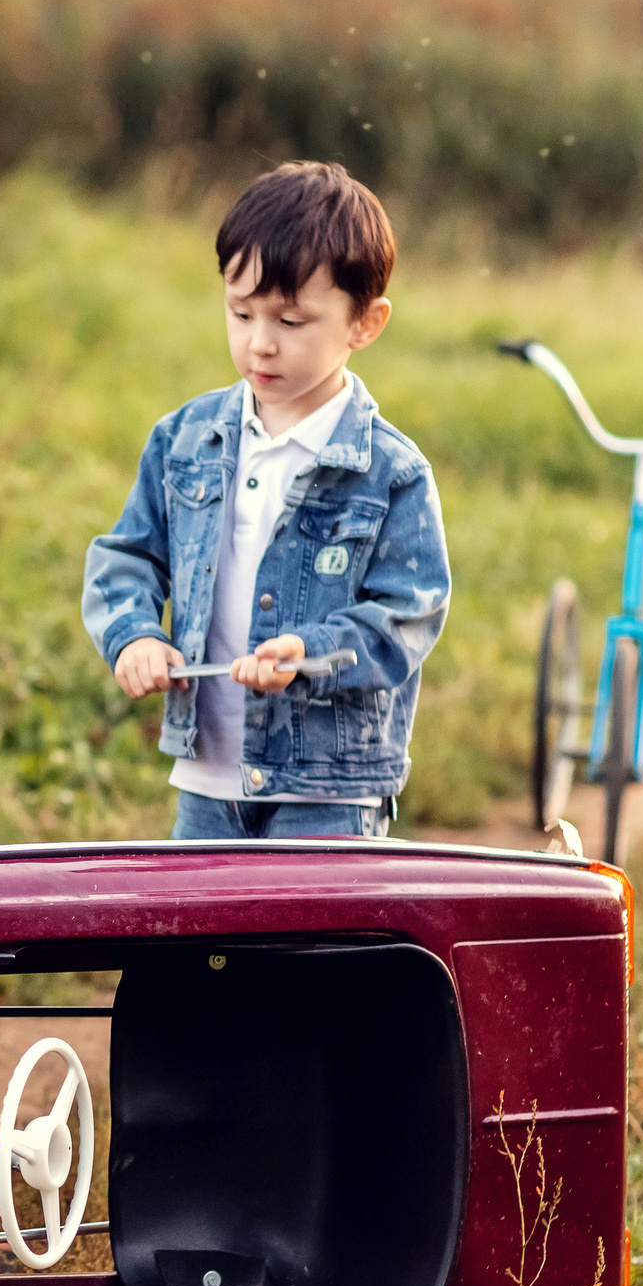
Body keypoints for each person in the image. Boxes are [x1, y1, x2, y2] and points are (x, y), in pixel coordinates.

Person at [82, 161, 449, 839]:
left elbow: (411, 612)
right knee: (203, 947)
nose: (260, 342)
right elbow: (126, 557)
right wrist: (133, 633)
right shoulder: (185, 440)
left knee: (312, 948)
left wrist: (309, 652)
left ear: (364, 323)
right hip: (207, 776)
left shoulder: (390, 471)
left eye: (290, 319)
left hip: (328, 789)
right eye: (241, 311)